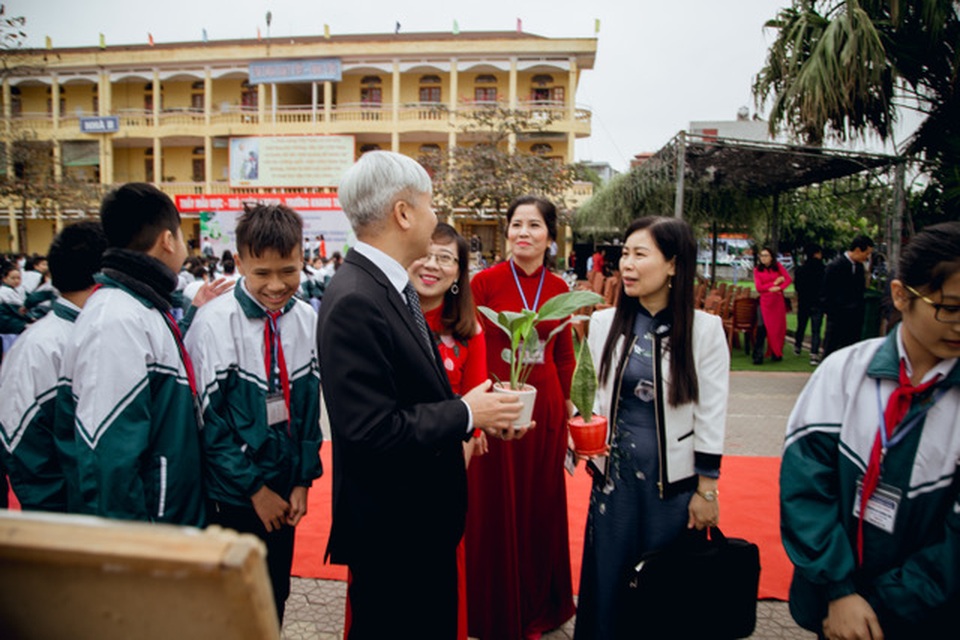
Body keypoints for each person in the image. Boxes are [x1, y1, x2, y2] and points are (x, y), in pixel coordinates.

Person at [316, 151, 522, 639]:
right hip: (394, 534)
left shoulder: (388, 288)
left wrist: (479, 412)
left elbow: (411, 393)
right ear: (403, 212)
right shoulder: (356, 299)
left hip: (417, 527)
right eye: (430, 204)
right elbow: (370, 428)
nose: (436, 217)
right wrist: (466, 412)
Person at [780, 221, 960, 639]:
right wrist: (840, 592)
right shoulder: (844, 372)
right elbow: (805, 486)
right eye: (949, 308)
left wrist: (876, 606)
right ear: (901, 295)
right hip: (834, 606)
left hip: (929, 614)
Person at [573, 216, 729, 639]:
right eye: (625, 253)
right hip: (614, 484)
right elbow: (588, 398)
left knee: (664, 584)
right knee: (608, 580)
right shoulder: (605, 324)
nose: (627, 263)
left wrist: (706, 489)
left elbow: (711, 413)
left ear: (674, 265)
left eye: (640, 254)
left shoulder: (705, 332)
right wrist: (579, 430)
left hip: (672, 487)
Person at [184, 203, 322, 625]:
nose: (277, 285)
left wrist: (302, 480)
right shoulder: (213, 323)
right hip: (233, 496)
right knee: (232, 601)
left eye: (289, 270)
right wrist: (254, 491)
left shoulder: (305, 318)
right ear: (240, 262)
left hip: (283, 489)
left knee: (273, 592)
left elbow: (308, 409)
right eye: (262, 274)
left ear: (303, 259)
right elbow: (209, 424)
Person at [56, 183, 205, 524]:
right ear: (168, 240)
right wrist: (132, 557)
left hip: (170, 526)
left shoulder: (142, 307)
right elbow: (108, 456)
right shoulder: (116, 318)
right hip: (150, 541)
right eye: (183, 237)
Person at [466, 195, 577, 639]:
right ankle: (492, 607)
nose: (523, 233)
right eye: (516, 225)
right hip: (497, 403)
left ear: (550, 236)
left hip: (544, 406)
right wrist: (475, 411)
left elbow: (565, 357)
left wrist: (572, 414)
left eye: (534, 226)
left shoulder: (560, 289)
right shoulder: (485, 284)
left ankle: (538, 604)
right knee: (494, 505)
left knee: (539, 503)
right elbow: (472, 346)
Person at [0, 222, 107, 512]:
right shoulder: (41, 346)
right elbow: (24, 450)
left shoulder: (98, 330)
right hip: (68, 518)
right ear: (103, 279)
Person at [822, 234, 874, 357]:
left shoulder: (860, 268)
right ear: (857, 250)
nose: (867, 257)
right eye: (866, 253)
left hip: (854, 318)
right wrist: (831, 312)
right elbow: (826, 292)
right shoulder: (835, 266)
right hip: (837, 317)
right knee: (831, 350)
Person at [752, 247, 792, 364]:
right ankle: (758, 355)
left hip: (777, 302)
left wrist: (779, 287)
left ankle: (776, 352)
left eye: (766, 255)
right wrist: (774, 283)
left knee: (777, 328)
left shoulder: (778, 267)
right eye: (761, 256)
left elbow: (788, 279)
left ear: (771, 257)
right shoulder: (757, 270)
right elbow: (759, 288)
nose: (763, 258)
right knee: (761, 327)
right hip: (764, 302)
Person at [794, 243, 826, 365]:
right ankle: (814, 353)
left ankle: (797, 346)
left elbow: (797, 286)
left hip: (804, 301)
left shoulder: (801, 269)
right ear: (817, 253)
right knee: (816, 330)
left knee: (801, 325)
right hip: (818, 302)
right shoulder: (823, 269)